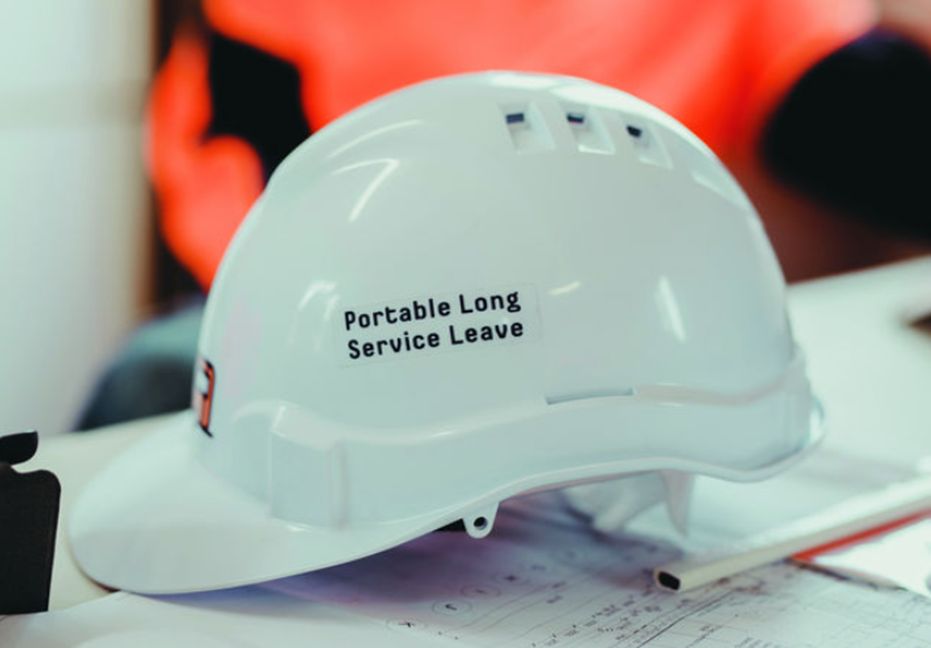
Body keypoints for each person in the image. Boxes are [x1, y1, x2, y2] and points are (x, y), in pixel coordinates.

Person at [78, 0, 931, 428]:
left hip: (620, 319)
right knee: (161, 374)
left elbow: (836, 103)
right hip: (362, 299)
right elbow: (235, 142)